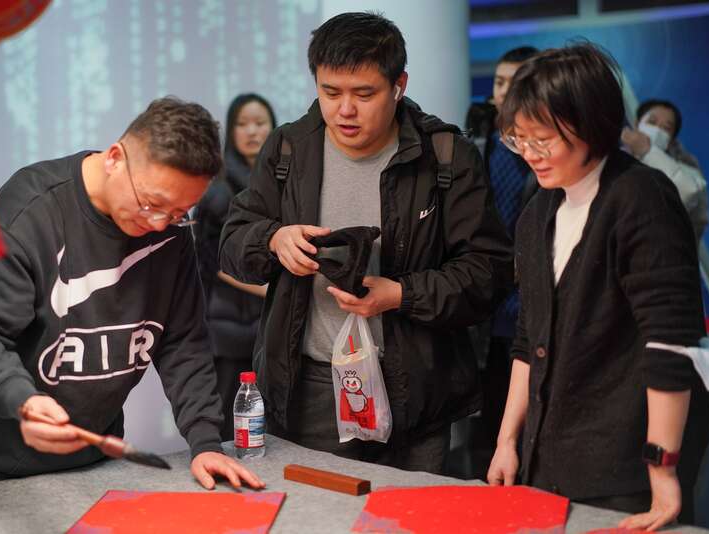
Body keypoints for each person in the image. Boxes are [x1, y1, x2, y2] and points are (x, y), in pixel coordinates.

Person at [219, 12, 513, 474]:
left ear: (399, 85)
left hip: (415, 390)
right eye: (330, 92)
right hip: (311, 389)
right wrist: (273, 239)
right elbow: (233, 243)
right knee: (313, 509)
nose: (345, 110)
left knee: (409, 510)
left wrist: (401, 295)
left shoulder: (444, 155)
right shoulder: (288, 149)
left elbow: (488, 271)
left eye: (364, 94)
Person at [0, 96, 264, 492]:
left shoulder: (170, 231)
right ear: (114, 158)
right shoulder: (30, 211)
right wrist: (22, 401)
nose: (160, 224)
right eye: (152, 204)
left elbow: (182, 342)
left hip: (97, 459)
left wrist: (205, 442)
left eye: (179, 212)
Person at [486, 43, 709, 530]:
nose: (530, 155)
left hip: (627, 464)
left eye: (543, 140)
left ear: (591, 124)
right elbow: (528, 339)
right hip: (549, 454)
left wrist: (663, 469)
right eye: (519, 139)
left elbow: (671, 343)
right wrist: (507, 441)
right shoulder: (538, 212)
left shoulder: (641, 198)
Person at [463, 46, 540, 479]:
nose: (504, 91)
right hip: (485, 296)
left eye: (516, 82)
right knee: (487, 413)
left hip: (529, 293)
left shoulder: (547, 150)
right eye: (499, 82)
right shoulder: (477, 143)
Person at [194, 93, 276, 440]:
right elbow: (212, 262)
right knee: (230, 416)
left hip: (268, 321)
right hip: (227, 320)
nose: (252, 131)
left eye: (260, 123)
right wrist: (270, 291)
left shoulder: (282, 183)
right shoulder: (218, 189)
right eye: (242, 124)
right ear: (231, 130)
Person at [621, 99, 709, 243]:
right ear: (637, 124)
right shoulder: (614, 155)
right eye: (652, 122)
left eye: (666, 128)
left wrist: (647, 152)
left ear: (671, 141)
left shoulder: (689, 173)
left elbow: (686, 191)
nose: (657, 130)